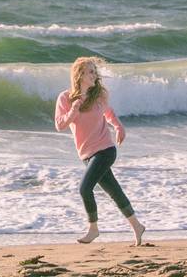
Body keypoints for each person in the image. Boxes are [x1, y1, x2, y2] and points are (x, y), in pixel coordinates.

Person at [55, 56, 145, 245]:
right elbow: (60, 125)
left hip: (106, 150)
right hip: (87, 154)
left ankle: (93, 228)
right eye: (90, 71)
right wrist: (74, 108)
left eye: (94, 71)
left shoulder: (99, 96)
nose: (94, 75)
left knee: (84, 188)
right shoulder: (65, 98)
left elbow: (109, 113)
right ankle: (137, 226)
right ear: (79, 75)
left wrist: (119, 127)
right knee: (114, 190)